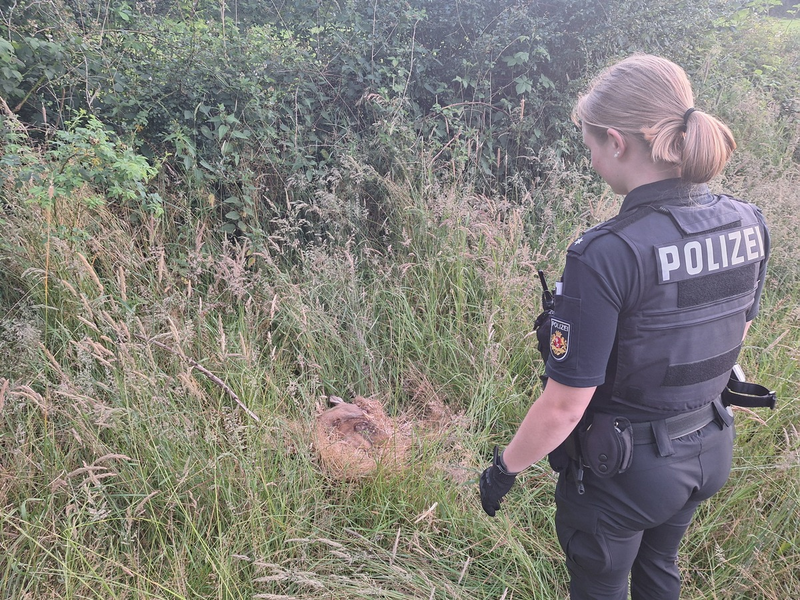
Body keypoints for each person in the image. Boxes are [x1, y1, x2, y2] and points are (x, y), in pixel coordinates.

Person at [479, 54, 770, 600]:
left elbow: (565, 406)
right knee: (660, 566)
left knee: (602, 586)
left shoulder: (606, 254)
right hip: (710, 446)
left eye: (590, 145)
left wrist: (504, 469)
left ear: (616, 142)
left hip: (626, 471)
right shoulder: (748, 222)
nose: (591, 159)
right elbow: (732, 336)